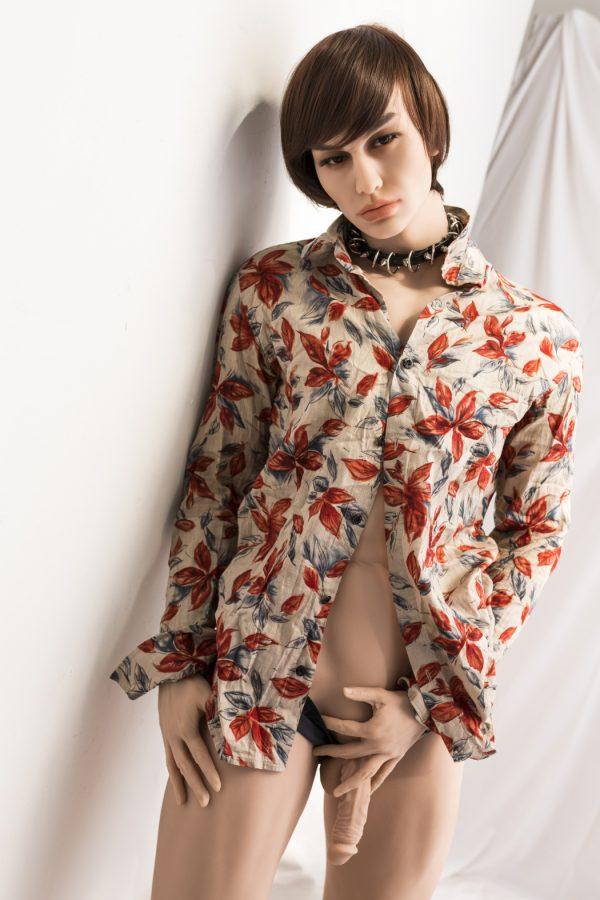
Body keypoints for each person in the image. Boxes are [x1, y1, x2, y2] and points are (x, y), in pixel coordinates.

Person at [109, 23, 583, 900]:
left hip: (410, 701)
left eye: (382, 140)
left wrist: (437, 697)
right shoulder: (275, 291)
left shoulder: (535, 337)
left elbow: (536, 533)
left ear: (430, 127)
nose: (364, 180)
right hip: (260, 670)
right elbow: (217, 480)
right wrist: (181, 662)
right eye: (333, 159)